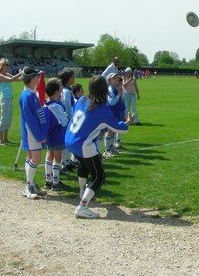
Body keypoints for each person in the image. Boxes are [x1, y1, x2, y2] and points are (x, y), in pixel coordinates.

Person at [65, 75, 133, 218]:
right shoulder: (101, 108)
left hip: (70, 139)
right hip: (83, 144)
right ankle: (82, 206)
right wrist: (127, 122)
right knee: (99, 176)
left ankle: (82, 192)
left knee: (84, 165)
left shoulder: (82, 99)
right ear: (104, 91)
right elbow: (118, 128)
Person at [19, 66, 48, 199]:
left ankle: (31, 184)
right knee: (36, 158)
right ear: (31, 79)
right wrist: (39, 135)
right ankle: (28, 186)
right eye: (37, 76)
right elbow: (30, 120)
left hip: (33, 132)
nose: (39, 77)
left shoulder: (31, 94)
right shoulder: (27, 96)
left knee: (31, 157)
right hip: (32, 132)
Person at [43, 78, 69, 191]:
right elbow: (64, 121)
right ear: (57, 91)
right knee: (57, 157)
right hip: (57, 133)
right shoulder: (56, 106)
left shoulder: (46, 104)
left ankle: (48, 180)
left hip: (49, 134)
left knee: (49, 154)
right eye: (60, 87)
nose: (62, 89)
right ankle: (56, 182)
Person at [0, 58, 22, 145]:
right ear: (2, 66)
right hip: (5, 99)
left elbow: (17, 79)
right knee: (4, 119)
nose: (8, 67)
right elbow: (11, 79)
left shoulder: (6, 74)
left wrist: (26, 74)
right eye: (6, 65)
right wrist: (21, 72)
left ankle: (5, 138)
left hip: (9, 98)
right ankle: (1, 140)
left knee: (8, 119)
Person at [57, 69, 76, 171]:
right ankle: (64, 163)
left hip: (68, 119)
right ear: (67, 79)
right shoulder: (66, 91)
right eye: (72, 77)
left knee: (68, 142)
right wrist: (72, 119)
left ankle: (67, 161)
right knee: (65, 142)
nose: (73, 78)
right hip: (67, 120)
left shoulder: (68, 89)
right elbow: (67, 106)